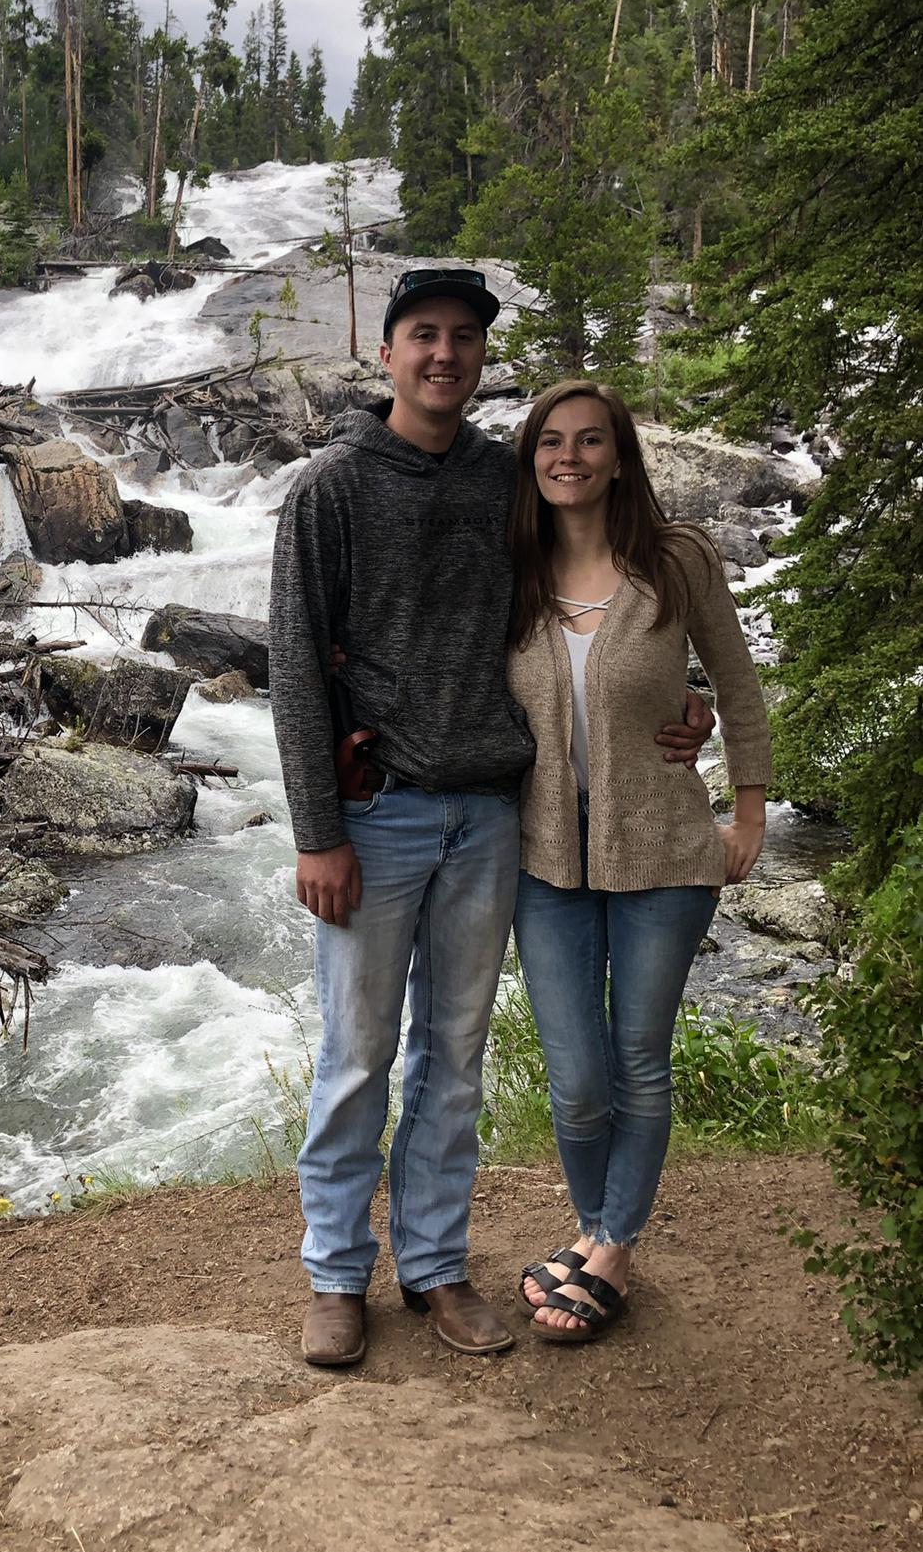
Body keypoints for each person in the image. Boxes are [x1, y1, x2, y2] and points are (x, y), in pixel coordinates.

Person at [268, 273, 712, 1368]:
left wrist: (680, 698)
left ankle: (433, 1265)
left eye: (465, 338)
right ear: (387, 353)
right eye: (425, 335)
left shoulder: (501, 481)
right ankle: (335, 1273)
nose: (445, 354)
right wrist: (314, 830)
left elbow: (594, 598)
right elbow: (290, 666)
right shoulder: (329, 489)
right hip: (376, 818)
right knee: (359, 1049)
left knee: (454, 1055)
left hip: (493, 812)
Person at [509, 381, 770, 1344]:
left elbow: (736, 689)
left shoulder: (678, 559)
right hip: (544, 860)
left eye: (589, 442)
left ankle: (612, 1246)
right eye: (550, 442)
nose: (568, 457)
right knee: (576, 1075)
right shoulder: (514, 565)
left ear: (620, 456)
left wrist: (747, 816)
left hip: (663, 851)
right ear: (531, 458)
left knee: (638, 1062)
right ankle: (592, 1229)